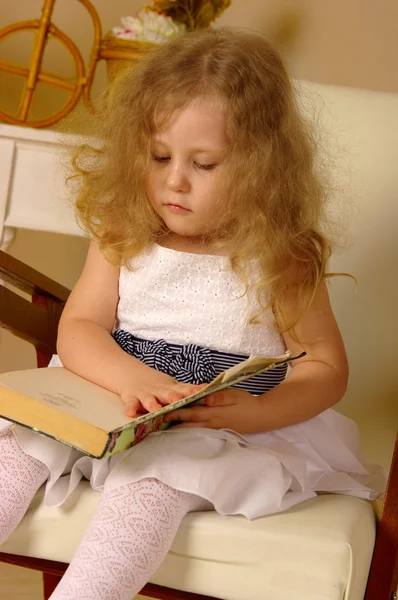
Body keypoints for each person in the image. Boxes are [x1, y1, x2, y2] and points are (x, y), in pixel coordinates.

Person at [0, 28, 385, 599]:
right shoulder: (123, 233)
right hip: (112, 394)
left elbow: (327, 366)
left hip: (213, 422)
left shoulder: (281, 257)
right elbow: (79, 327)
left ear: (261, 168)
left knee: (155, 482)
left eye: (204, 164)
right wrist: (130, 377)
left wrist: (255, 413)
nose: (173, 180)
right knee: (14, 451)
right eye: (159, 156)